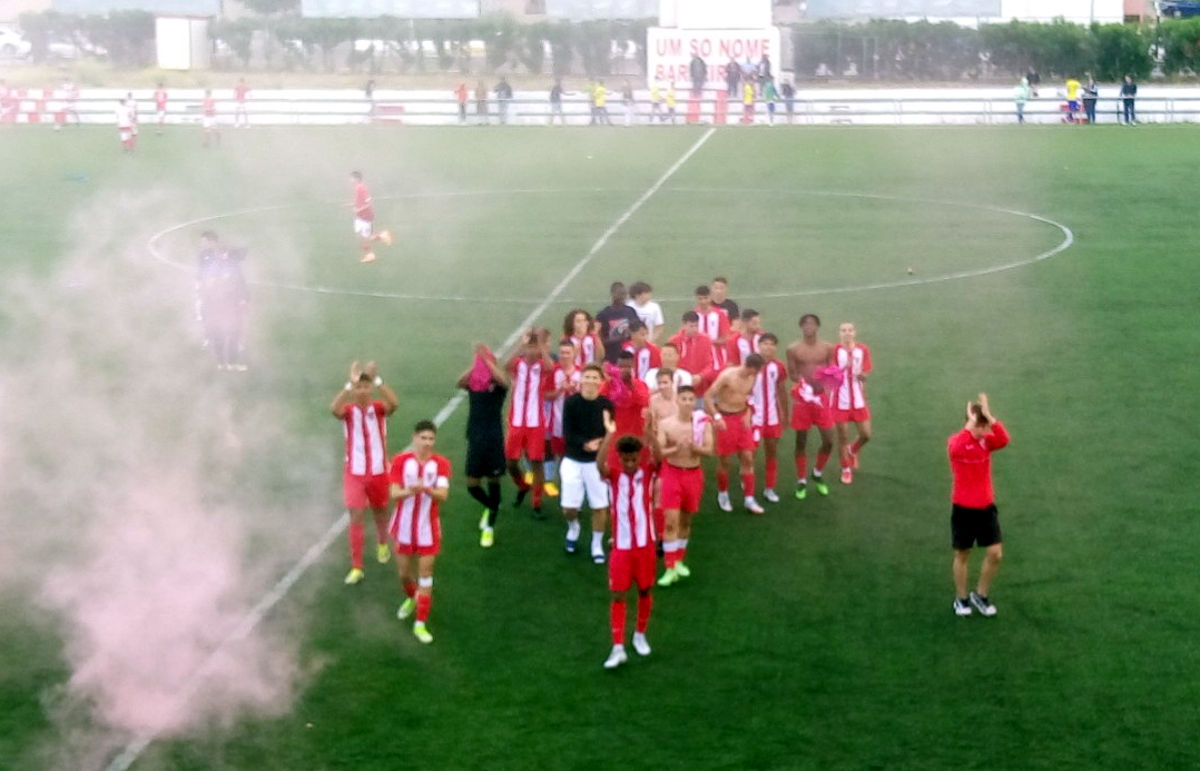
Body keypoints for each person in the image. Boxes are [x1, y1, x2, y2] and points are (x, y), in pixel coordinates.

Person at [331, 361, 399, 585]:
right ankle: (357, 566)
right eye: (358, 388)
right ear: (354, 390)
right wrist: (348, 385)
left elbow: (394, 404)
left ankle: (382, 543)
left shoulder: (378, 409)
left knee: (380, 510)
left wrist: (377, 380)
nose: (362, 391)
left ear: (371, 389)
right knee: (356, 515)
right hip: (355, 472)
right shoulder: (349, 411)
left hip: (378, 471)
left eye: (365, 387)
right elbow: (334, 409)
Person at [597, 428, 658, 669]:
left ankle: (640, 634)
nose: (631, 464)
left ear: (639, 457)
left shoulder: (648, 472)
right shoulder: (613, 476)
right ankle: (618, 647)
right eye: (626, 460)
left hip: (645, 546)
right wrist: (609, 436)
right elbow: (599, 464)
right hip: (621, 548)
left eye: (634, 459)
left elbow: (660, 460)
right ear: (620, 458)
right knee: (618, 594)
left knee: (644, 590)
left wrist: (652, 437)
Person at [390, 419, 451, 644]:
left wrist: (425, 488)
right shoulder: (400, 461)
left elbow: (443, 495)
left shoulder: (441, 464)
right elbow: (394, 493)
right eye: (423, 438)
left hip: (428, 529)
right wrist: (411, 490)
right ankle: (412, 597)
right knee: (404, 575)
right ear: (414, 438)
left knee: (426, 576)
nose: (427, 442)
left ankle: (420, 623)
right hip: (404, 527)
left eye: (431, 439)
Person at [948, 394, 1009, 617]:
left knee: (996, 553)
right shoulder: (957, 442)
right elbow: (954, 449)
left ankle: (980, 595)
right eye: (980, 426)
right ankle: (961, 599)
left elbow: (1004, 439)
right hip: (963, 509)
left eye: (986, 426)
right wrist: (970, 425)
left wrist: (990, 416)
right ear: (971, 423)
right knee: (962, 555)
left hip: (986, 508)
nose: (985, 431)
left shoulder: (986, 442)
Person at [656, 385, 713, 586]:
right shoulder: (666, 424)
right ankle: (670, 567)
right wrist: (676, 448)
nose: (687, 403)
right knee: (671, 521)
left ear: (695, 402)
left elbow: (709, 450)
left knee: (686, 522)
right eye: (684, 399)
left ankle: (678, 560)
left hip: (693, 474)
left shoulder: (702, 423)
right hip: (672, 473)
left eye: (691, 399)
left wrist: (694, 447)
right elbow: (659, 452)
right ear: (677, 401)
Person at [560, 363, 615, 561]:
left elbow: (610, 431)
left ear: (601, 381)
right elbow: (567, 432)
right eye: (587, 376)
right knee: (569, 507)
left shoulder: (607, 405)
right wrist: (585, 444)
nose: (591, 381)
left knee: (599, 506)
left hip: (596, 463)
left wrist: (599, 443)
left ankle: (596, 544)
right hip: (573, 459)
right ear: (581, 379)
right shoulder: (571, 402)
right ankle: (573, 528)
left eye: (594, 377)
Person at [457, 344, 508, 548]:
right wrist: (475, 364)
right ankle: (492, 506)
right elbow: (459, 382)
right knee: (472, 485)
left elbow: (504, 381)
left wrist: (486, 361)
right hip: (475, 438)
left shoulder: (498, 387)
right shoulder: (474, 385)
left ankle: (489, 527)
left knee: (494, 481)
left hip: (493, 438)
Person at [706, 354, 765, 514]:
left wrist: (748, 413)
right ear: (751, 367)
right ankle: (723, 494)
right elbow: (708, 396)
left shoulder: (752, 377)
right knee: (725, 461)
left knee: (748, 457)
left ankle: (749, 499)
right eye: (756, 371)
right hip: (725, 419)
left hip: (742, 419)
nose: (757, 374)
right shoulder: (727, 376)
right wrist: (717, 417)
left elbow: (748, 396)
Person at [787, 313, 835, 499]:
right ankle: (801, 480)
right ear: (801, 327)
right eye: (805, 324)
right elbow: (792, 373)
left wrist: (825, 384)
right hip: (803, 399)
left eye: (812, 323)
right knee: (801, 441)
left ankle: (817, 472)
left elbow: (832, 369)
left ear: (817, 326)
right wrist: (803, 383)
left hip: (820, 398)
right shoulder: (793, 349)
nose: (809, 326)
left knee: (829, 440)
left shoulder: (827, 347)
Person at [505, 331, 552, 518]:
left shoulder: (541, 366)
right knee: (510, 462)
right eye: (530, 347)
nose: (532, 351)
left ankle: (536, 502)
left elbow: (550, 367)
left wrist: (540, 346)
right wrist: (521, 345)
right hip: (516, 421)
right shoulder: (518, 364)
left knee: (536, 462)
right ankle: (523, 485)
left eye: (535, 347)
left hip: (535, 422)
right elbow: (506, 365)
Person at [832, 322, 872, 485]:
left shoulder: (863, 349)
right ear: (839, 333)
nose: (847, 333)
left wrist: (863, 375)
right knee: (843, 437)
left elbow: (866, 370)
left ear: (854, 332)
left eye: (849, 330)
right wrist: (842, 369)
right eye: (843, 330)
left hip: (858, 399)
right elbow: (830, 374)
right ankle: (846, 469)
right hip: (840, 400)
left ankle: (853, 449)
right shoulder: (835, 351)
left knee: (866, 434)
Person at [200, 241, 249, 370]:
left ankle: (228, 362)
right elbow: (209, 287)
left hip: (229, 304)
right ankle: (225, 362)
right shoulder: (219, 267)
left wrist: (244, 299)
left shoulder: (228, 265)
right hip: (222, 304)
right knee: (224, 332)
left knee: (231, 332)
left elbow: (240, 283)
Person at [751, 334, 788, 503]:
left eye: (772, 344)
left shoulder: (778, 367)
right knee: (750, 453)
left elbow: (781, 391)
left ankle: (769, 488)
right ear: (759, 346)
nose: (768, 347)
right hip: (754, 418)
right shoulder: (751, 365)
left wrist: (785, 414)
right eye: (765, 343)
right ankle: (748, 483)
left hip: (772, 417)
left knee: (772, 452)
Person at [547, 340, 582, 498]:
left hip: (578, 425)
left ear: (574, 354)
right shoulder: (554, 372)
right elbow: (546, 395)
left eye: (568, 353)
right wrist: (561, 389)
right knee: (563, 459)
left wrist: (577, 392)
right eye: (562, 352)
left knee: (576, 460)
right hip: (558, 425)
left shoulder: (581, 373)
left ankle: (574, 492)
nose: (564, 356)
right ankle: (565, 495)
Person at [669, 311, 719, 397]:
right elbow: (669, 363)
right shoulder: (674, 341)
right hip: (680, 388)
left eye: (696, 326)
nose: (695, 329)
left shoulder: (705, 340)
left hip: (701, 388)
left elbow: (711, 363)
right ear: (684, 325)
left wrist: (701, 376)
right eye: (691, 326)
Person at [350, 170, 392, 264]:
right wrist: (353, 205)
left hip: (365, 217)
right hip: (359, 217)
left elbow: (368, 204)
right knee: (361, 236)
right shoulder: (357, 188)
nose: (350, 180)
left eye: (351, 178)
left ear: (356, 178)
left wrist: (358, 210)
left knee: (365, 238)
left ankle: (371, 254)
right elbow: (359, 201)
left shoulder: (362, 188)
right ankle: (382, 237)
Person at [595, 281, 641, 363]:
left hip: (629, 357)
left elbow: (637, 331)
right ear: (612, 295)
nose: (621, 297)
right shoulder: (603, 314)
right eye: (618, 294)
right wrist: (619, 338)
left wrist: (630, 335)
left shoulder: (630, 311)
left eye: (623, 294)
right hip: (610, 357)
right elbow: (599, 340)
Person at [693, 285, 731, 349]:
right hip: (698, 351)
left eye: (705, 298)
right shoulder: (693, 314)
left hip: (716, 352)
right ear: (697, 299)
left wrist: (709, 341)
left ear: (710, 297)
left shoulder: (720, 314)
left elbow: (726, 338)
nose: (703, 301)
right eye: (700, 299)